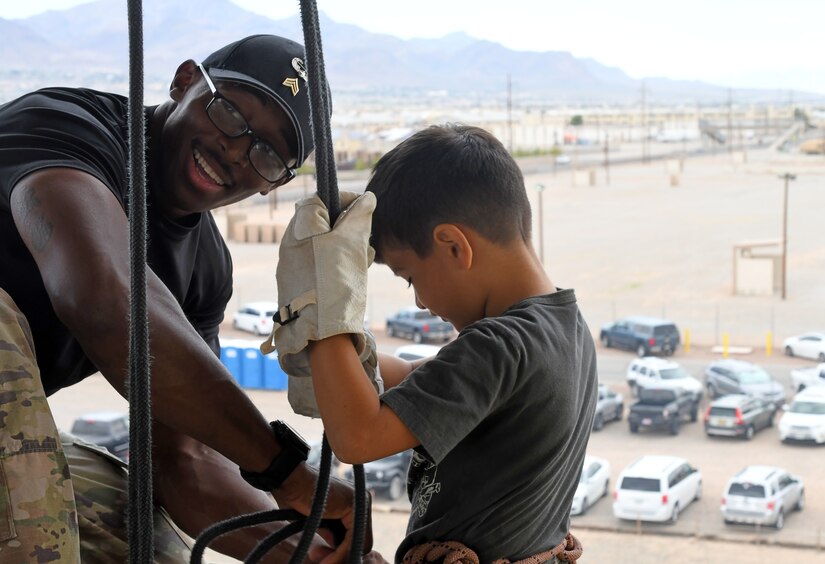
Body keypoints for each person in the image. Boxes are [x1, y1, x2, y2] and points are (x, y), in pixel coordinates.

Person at [0, 34, 371, 563]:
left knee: (134, 526)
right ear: (185, 81)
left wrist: (307, 551)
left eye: (267, 154)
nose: (237, 150)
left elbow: (186, 462)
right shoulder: (68, 126)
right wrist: (283, 468)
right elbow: (104, 298)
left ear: (273, 185)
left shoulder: (205, 271)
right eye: (230, 114)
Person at [273, 123, 598, 563]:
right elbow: (408, 379)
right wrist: (337, 349)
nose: (422, 303)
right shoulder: (562, 330)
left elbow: (358, 437)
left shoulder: (501, 344)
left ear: (452, 245)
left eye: (410, 278)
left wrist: (326, 312)